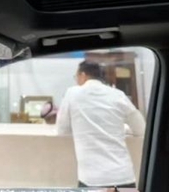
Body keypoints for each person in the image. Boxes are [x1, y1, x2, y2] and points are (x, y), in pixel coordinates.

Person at [56, 61, 145, 189]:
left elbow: (62, 130)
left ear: (83, 75)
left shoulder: (72, 94)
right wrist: (123, 129)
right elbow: (141, 129)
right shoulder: (118, 95)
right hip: (123, 176)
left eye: (76, 77)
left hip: (92, 179)